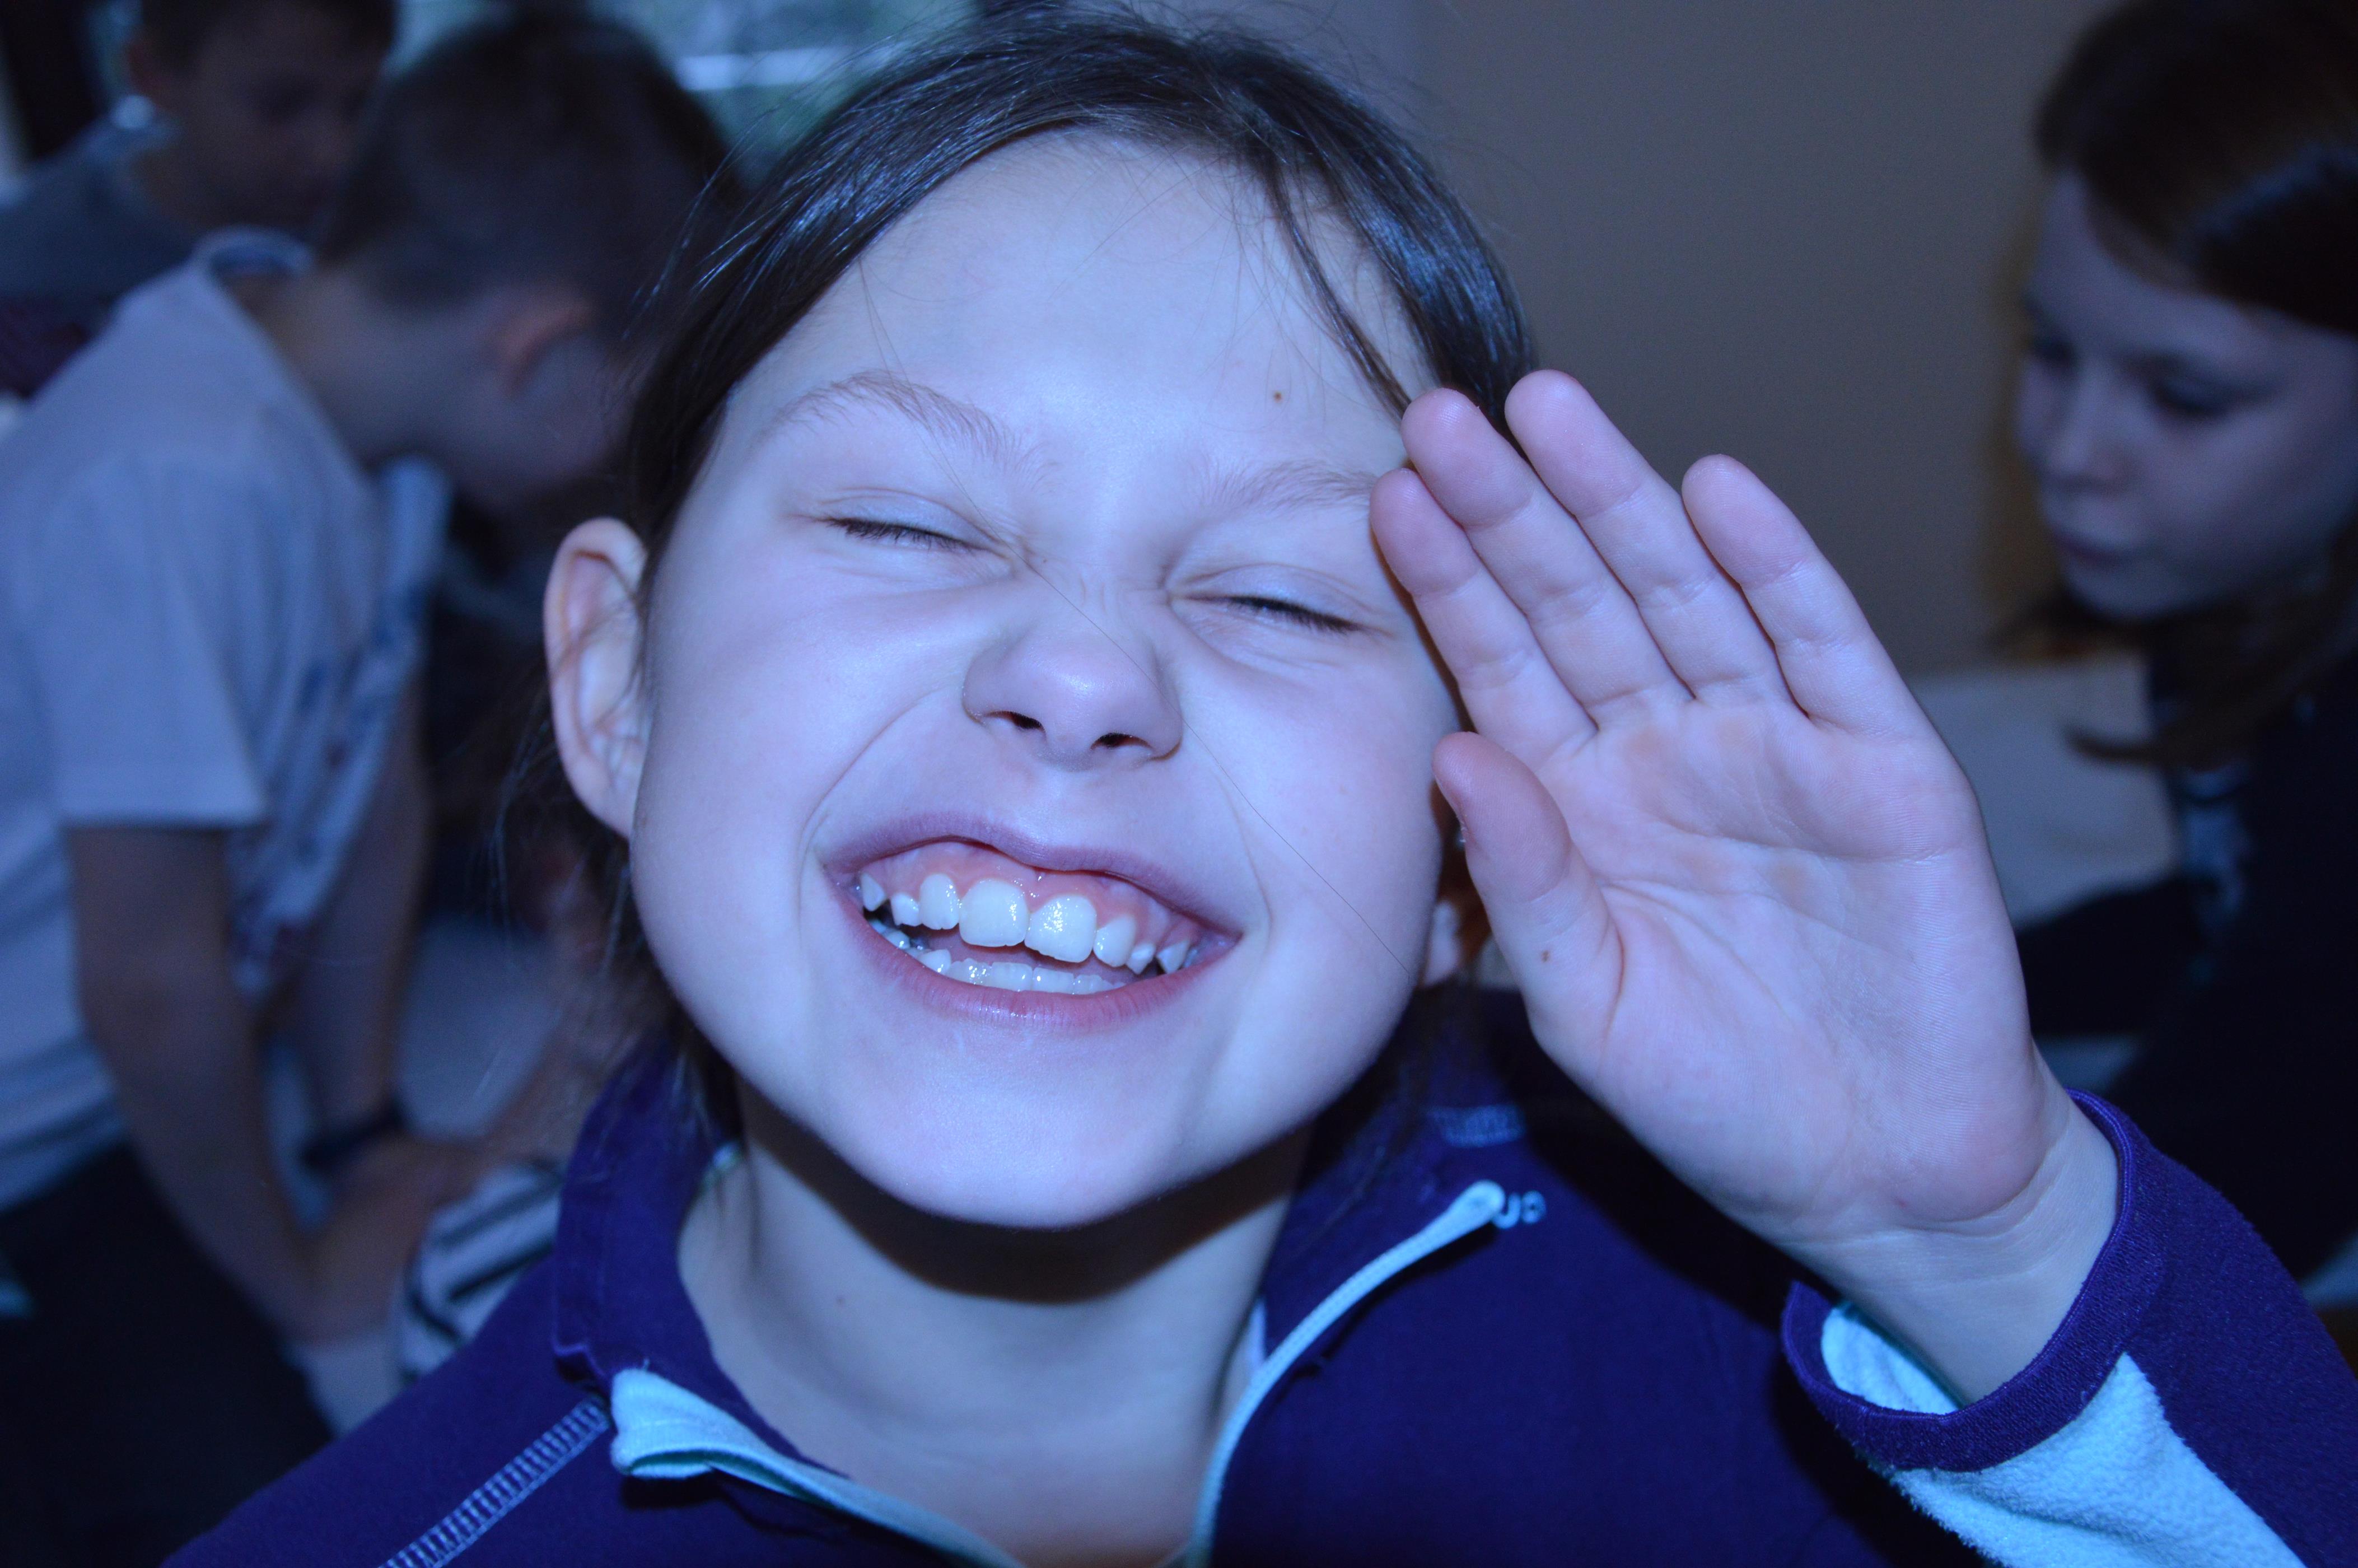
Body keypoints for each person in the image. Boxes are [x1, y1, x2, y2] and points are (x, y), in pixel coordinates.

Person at [178, 14, 2358, 1568]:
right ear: (613, 684)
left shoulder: (1803, 1387)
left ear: (1462, 844)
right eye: (906, 524)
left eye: (1280, 596)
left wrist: (1972, 1243)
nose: (1079, 671)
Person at [0, 11, 727, 1563]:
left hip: (107, 1122)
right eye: (637, 395)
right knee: (223, 1506)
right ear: (534, 345)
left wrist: (361, 1136)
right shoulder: (183, 475)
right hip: (42, 1135)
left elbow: (371, 802)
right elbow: (149, 983)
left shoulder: (372, 438)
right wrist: (301, 1273)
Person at [2009, 0, 2358, 1282]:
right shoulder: (2233, 593)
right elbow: (2239, 921)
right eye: (2050, 351)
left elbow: (2243, 1160)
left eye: (2182, 394)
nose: (2065, 452)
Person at [0, 0, 393, 392]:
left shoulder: (387, 216)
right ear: (151, 73)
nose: (334, 155)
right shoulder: (31, 285)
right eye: (280, 105)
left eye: (360, 104)